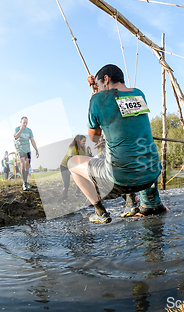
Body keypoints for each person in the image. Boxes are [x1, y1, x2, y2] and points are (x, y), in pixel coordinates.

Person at [68, 64, 166, 224]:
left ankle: (100, 212)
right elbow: (117, 110)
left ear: (106, 79)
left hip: (120, 181)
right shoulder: (139, 94)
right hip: (151, 174)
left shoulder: (98, 99)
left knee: (72, 163)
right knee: (115, 152)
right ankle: (137, 204)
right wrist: (97, 90)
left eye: (99, 86)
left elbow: (94, 138)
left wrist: (93, 96)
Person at [14, 116, 39, 191]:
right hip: (20, 149)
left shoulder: (29, 130)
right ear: (20, 122)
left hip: (27, 149)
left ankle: (26, 181)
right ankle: (24, 183)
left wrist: (36, 149)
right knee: (22, 164)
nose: (25, 124)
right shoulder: (17, 129)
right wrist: (21, 130)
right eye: (24, 122)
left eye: (26, 122)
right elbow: (15, 137)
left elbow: (32, 140)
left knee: (27, 166)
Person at [60, 135, 87, 202]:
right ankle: (64, 199)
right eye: (83, 141)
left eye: (85, 141)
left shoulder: (82, 150)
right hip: (65, 167)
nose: (84, 143)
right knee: (66, 183)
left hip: (74, 166)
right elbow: (71, 160)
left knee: (80, 179)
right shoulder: (72, 148)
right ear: (79, 141)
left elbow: (85, 159)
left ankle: (77, 193)